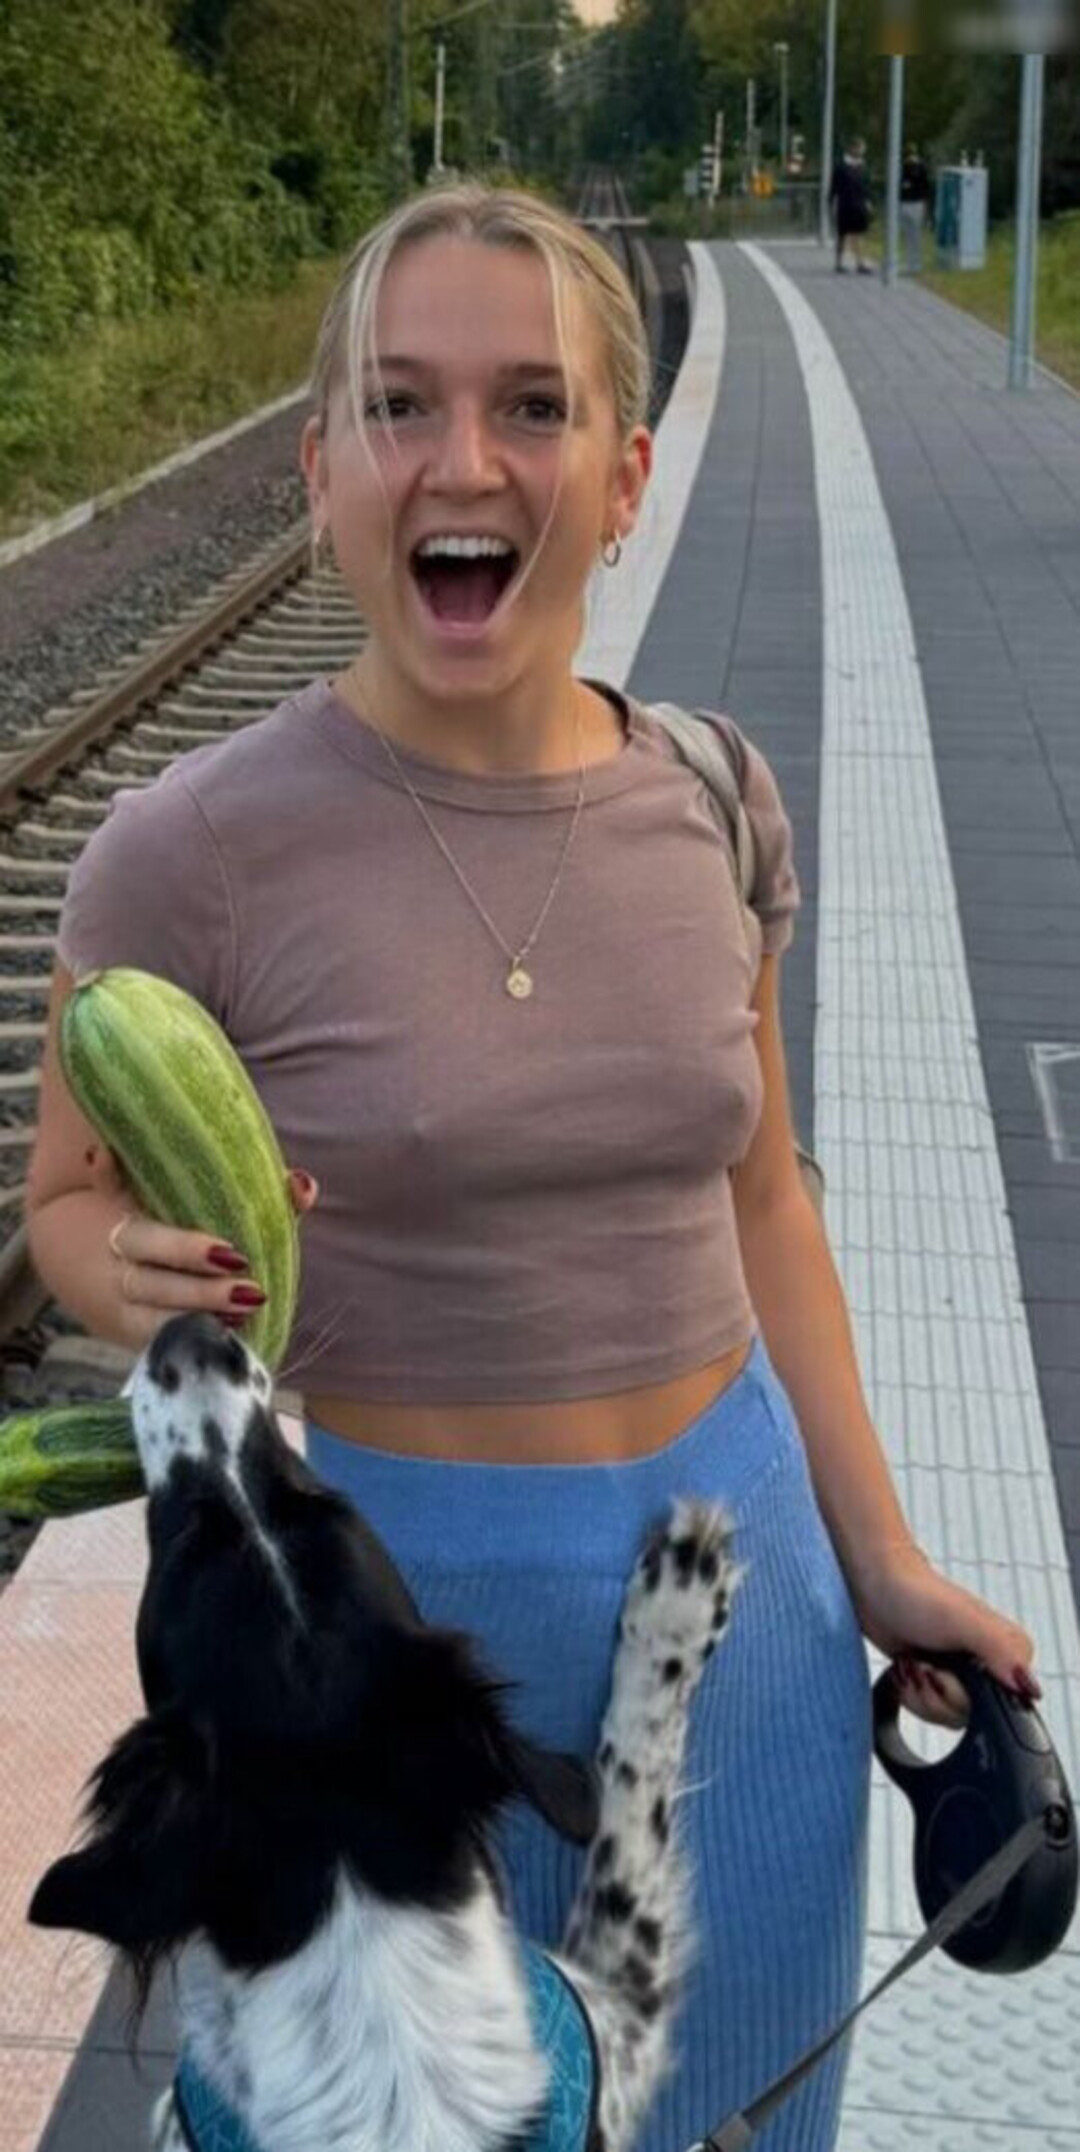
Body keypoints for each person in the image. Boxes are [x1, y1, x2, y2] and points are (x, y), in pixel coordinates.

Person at [26, 184, 1036, 2152]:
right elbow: (67, 1205)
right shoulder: (183, 853)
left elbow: (767, 1200)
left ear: (627, 476)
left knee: (745, 2110)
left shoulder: (714, 795)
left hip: (745, 1612)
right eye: (399, 405)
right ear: (323, 472)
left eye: (533, 406)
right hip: (393, 1655)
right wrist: (115, 1261)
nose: (463, 460)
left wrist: (884, 1557)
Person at [829, 137, 874, 274]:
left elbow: (867, 186)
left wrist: (869, 201)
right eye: (860, 148)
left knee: (859, 233)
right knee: (842, 234)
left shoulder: (864, 166)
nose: (862, 151)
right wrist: (832, 202)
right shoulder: (841, 166)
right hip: (845, 203)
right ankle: (839, 262)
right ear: (853, 148)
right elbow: (834, 186)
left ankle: (860, 263)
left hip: (859, 204)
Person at [900, 143, 933, 274]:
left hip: (916, 203)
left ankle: (916, 263)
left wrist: (925, 206)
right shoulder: (903, 167)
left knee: (916, 235)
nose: (909, 159)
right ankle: (910, 262)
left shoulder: (921, 167)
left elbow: (925, 188)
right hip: (905, 202)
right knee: (908, 235)